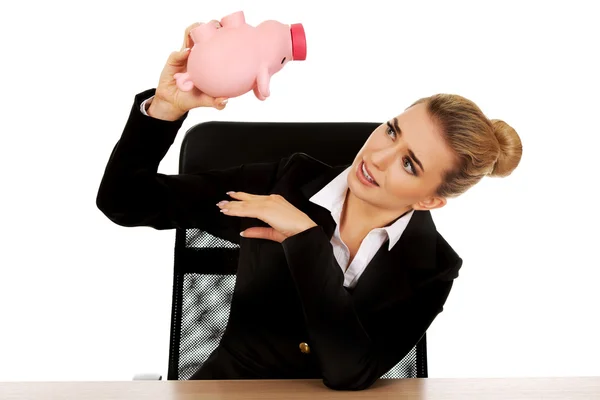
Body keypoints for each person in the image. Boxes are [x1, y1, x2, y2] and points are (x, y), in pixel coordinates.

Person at [96, 21, 523, 391]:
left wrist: (305, 239)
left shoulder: (432, 266)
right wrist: (165, 110)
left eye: (409, 164)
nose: (377, 157)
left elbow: (349, 373)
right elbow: (125, 202)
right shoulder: (285, 183)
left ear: (431, 199)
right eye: (392, 131)